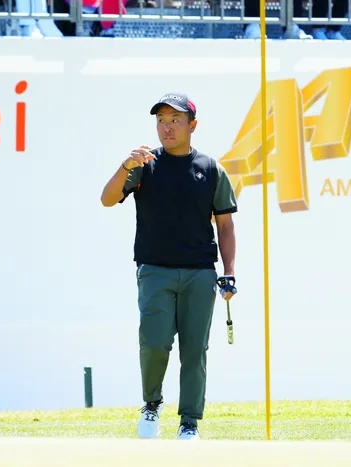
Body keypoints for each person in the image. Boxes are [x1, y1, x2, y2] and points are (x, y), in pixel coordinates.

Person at [100, 92, 239, 440]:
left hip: (200, 272)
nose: (167, 127)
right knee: (154, 342)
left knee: (195, 350)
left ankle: (189, 422)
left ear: (193, 125)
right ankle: (152, 404)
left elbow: (225, 224)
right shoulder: (143, 164)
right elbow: (107, 199)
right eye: (161, 120)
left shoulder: (211, 169)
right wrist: (125, 166)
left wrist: (229, 271)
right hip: (154, 270)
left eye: (175, 120)